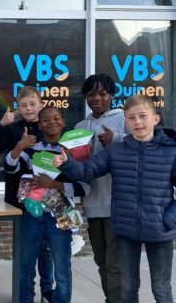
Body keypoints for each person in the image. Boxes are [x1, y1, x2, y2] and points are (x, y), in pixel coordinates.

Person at [54, 95, 176, 303]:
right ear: (125, 122)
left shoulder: (171, 151)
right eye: (131, 118)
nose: (137, 122)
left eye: (142, 116)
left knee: (161, 288)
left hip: (159, 230)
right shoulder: (116, 151)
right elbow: (87, 171)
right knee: (127, 287)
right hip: (125, 229)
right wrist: (67, 163)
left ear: (155, 119)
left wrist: (169, 219)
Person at [4, 106, 90, 303]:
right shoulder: (33, 148)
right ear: (40, 124)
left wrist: (52, 184)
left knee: (62, 269)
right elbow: (10, 167)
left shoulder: (72, 152)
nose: (52, 122)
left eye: (56, 118)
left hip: (59, 216)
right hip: (32, 214)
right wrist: (19, 146)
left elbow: (85, 187)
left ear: (63, 122)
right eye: (46, 120)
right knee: (25, 266)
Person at [0, 86, 55, 302]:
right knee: (25, 251)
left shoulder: (49, 125)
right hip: (20, 197)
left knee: (46, 247)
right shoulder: (11, 127)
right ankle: (25, 295)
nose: (29, 109)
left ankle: (48, 290)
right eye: (24, 105)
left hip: (46, 195)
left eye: (33, 104)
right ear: (18, 107)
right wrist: (1, 125)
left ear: (41, 104)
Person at [75, 73, 125, 303]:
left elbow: (144, 144)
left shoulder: (123, 120)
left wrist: (117, 139)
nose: (97, 98)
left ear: (112, 95)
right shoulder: (80, 126)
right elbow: (77, 169)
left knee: (116, 265)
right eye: (91, 94)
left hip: (118, 205)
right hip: (93, 204)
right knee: (102, 261)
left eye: (102, 93)